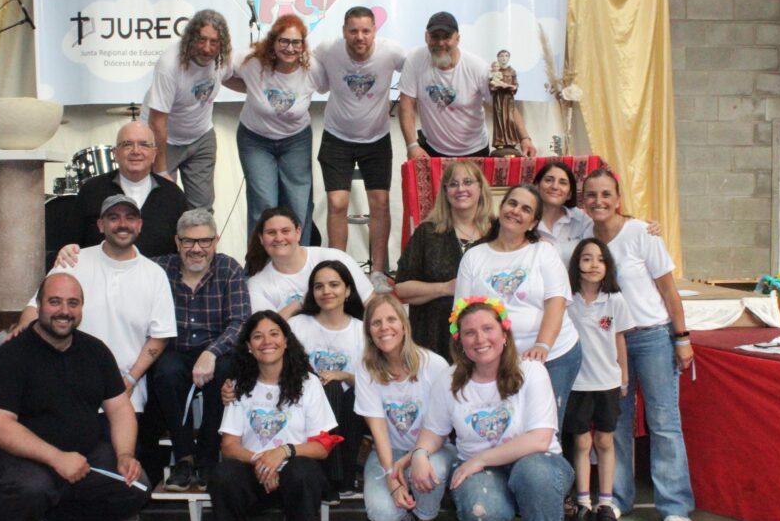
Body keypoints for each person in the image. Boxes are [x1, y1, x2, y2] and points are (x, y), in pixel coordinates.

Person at [0, 273, 150, 521]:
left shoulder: (95, 351)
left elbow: (119, 409)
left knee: (136, 487)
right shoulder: (10, 357)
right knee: (33, 488)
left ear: (82, 308)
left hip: (82, 452)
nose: (64, 311)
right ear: (40, 305)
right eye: (54, 302)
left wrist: (125, 454)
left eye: (73, 303)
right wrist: (57, 458)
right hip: (17, 457)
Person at [395, 298, 572, 521]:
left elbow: (539, 439)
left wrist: (480, 460)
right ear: (460, 341)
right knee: (481, 512)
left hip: (535, 463)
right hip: (481, 470)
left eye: (488, 329)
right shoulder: (449, 380)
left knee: (534, 473)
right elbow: (434, 431)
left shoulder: (531, 371)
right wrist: (421, 454)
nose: (480, 339)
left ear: (504, 334)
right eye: (470, 332)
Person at [21, 194, 176, 516]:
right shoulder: (74, 262)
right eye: (114, 217)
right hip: (66, 391)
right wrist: (21, 342)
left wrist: (129, 379)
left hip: (125, 395)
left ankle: (97, 517)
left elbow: (160, 335)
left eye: (129, 218)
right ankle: (59, 518)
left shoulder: (154, 274)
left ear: (140, 225)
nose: (122, 224)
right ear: (101, 225)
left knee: (120, 475)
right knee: (62, 466)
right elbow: (35, 309)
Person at [582, 168, 696, 521]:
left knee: (663, 421)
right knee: (616, 423)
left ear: (618, 199)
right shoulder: (584, 237)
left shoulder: (641, 233)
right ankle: (617, 497)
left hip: (651, 337)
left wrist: (681, 337)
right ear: (583, 201)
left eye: (606, 194)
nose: (599, 201)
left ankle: (674, 506)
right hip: (609, 342)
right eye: (591, 194)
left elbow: (668, 289)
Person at [207, 311, 337, 521]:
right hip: (254, 474)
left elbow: (322, 447)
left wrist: (283, 452)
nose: (267, 341)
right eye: (258, 336)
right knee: (223, 475)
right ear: (248, 347)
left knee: (303, 472)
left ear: (286, 341)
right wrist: (262, 460)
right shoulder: (238, 386)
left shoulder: (308, 383)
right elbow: (229, 446)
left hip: (295, 475)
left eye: (274, 334)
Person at [455, 184, 582, 432]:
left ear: (533, 222)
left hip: (553, 356)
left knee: (544, 432)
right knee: (505, 430)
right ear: (501, 207)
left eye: (526, 209)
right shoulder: (474, 256)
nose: (516, 211)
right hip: (495, 360)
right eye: (512, 203)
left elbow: (556, 303)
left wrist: (542, 346)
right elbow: (462, 313)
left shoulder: (544, 252)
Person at [151, 208, 250, 491]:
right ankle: (184, 457)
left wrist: (211, 352)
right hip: (175, 350)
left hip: (218, 352)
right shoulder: (158, 269)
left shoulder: (229, 269)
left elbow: (241, 321)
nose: (196, 249)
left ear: (216, 241)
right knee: (166, 372)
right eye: (188, 241)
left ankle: (208, 457)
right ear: (177, 242)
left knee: (226, 370)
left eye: (205, 241)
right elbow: (122, 261)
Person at [312, 6, 406, 292]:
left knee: (380, 203)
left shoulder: (391, 52)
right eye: (353, 31)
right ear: (344, 32)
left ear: (374, 31)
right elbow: (307, 64)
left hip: (376, 139)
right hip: (336, 137)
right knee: (337, 204)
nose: (360, 37)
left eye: (366, 31)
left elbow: (417, 70)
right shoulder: (328, 49)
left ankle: (378, 271)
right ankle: (338, 270)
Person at [353, 294, 453, 521]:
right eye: (376, 323)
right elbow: (378, 431)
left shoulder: (434, 365)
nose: (384, 328)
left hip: (431, 449)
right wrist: (391, 475)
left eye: (391, 319)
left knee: (431, 467)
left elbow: (441, 428)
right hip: (389, 451)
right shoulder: (366, 369)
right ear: (369, 331)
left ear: (404, 324)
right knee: (382, 515)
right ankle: (403, 513)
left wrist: (412, 459)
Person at [562, 238, 633, 521]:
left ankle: (605, 505)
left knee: (605, 441)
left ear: (608, 266)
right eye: (587, 258)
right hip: (577, 384)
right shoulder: (567, 301)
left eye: (600, 259)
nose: (594, 265)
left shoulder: (615, 300)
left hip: (607, 382)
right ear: (577, 263)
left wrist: (623, 377)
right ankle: (583, 504)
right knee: (581, 443)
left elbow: (619, 339)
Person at [398, 11, 536, 159]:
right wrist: (412, 145)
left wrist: (525, 138)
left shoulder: (476, 67)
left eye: (446, 37)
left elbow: (504, 105)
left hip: (475, 150)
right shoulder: (415, 59)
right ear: (426, 37)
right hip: (432, 150)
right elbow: (406, 104)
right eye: (435, 37)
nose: (440, 43)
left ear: (457, 39)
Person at [228, 14, 317, 243]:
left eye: (296, 42)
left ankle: (300, 259)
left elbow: (333, 84)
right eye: (284, 41)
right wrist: (249, 88)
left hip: (296, 141)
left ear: (303, 45)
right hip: (255, 140)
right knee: (264, 204)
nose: (290, 48)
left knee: (298, 204)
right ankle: (260, 261)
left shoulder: (313, 69)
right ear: (273, 42)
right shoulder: (252, 62)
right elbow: (222, 71)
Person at [394, 160, 494, 361]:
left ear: (480, 188)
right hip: (432, 340)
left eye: (468, 182)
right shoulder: (427, 233)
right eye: (453, 184)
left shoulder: (496, 234)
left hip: (484, 341)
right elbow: (402, 289)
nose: (461, 189)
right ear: (445, 192)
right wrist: (445, 288)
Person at [289, 260, 367, 500]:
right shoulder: (297, 325)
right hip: (304, 405)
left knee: (349, 392)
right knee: (329, 388)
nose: (326, 291)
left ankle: (342, 474)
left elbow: (373, 383)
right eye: (319, 286)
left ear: (348, 290)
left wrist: (343, 375)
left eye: (334, 285)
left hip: (352, 411)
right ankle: (332, 477)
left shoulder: (363, 330)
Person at [143, 9, 234, 210]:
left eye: (214, 42)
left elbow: (230, 78)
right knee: (164, 205)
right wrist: (161, 170)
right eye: (202, 40)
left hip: (201, 137)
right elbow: (157, 122)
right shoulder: (169, 64)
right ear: (190, 38)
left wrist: (257, 91)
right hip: (166, 139)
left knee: (202, 208)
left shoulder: (222, 58)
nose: (207, 48)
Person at [65, 121, 188, 257]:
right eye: (127, 145)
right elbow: (71, 244)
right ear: (115, 153)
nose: (136, 151)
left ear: (154, 154)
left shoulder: (173, 195)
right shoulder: (91, 190)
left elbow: (184, 248)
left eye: (144, 145)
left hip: (159, 270)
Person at [246, 206, 373, 318]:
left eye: (285, 231)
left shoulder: (334, 258)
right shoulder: (257, 284)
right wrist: (303, 301)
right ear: (261, 238)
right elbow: (266, 329)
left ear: (298, 233)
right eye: (271, 233)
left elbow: (371, 304)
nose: (279, 238)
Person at [535, 161, 660, 265]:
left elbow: (611, 222)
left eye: (563, 182)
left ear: (570, 194)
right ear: (537, 186)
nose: (555, 186)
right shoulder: (526, 220)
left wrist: (646, 229)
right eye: (549, 180)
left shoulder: (582, 219)